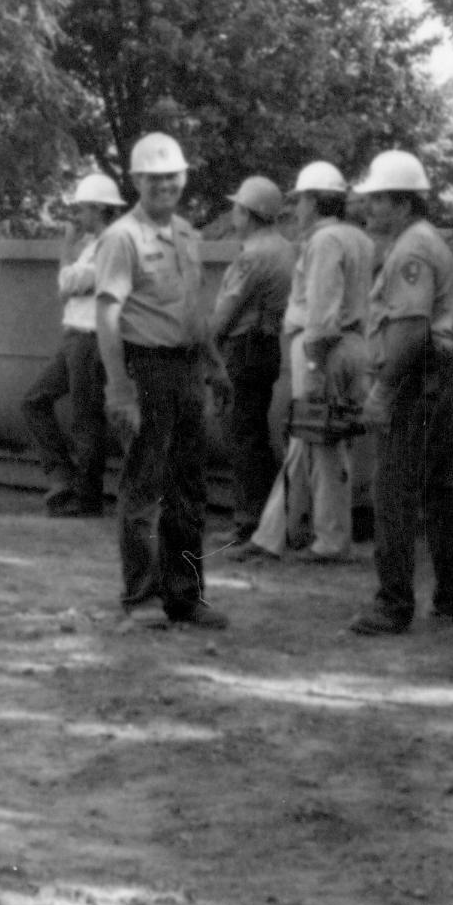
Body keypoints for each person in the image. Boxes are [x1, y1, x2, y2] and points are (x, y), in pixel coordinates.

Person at [92, 132, 225, 630]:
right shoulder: (121, 238)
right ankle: (142, 599)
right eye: (155, 177)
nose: (165, 184)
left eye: (172, 176)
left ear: (184, 178)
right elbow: (108, 314)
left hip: (187, 368)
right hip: (144, 369)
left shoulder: (189, 235)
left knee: (189, 489)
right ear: (137, 181)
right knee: (145, 488)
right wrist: (118, 388)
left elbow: (194, 313)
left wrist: (214, 364)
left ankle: (186, 597)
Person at [346, 150, 453, 635]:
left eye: (377, 200)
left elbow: (411, 331)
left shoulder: (410, 251)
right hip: (439, 377)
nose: (369, 208)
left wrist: (381, 393)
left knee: (394, 490)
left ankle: (393, 604)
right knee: (436, 491)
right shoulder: (422, 241)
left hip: (420, 380)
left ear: (402, 203)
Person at [239, 159, 376, 564]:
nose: (296, 209)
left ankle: (321, 540)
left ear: (315, 202)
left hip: (323, 350)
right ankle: (278, 535)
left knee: (317, 439)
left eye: (301, 201)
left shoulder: (324, 242)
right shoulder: (360, 239)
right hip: (355, 345)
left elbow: (322, 310)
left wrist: (315, 366)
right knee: (317, 442)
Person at [23, 171, 122, 516]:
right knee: (36, 401)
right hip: (78, 337)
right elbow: (68, 285)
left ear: (97, 208)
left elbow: (68, 284)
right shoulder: (97, 245)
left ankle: (85, 496)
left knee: (85, 418)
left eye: (81, 209)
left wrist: (66, 248)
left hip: (91, 338)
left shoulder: (110, 245)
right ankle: (65, 481)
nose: (77, 217)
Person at [206, 174, 293, 541]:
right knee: (252, 432)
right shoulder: (285, 248)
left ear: (249, 213)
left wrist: (205, 347)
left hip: (244, 348)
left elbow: (226, 312)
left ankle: (250, 521)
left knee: (242, 435)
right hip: (266, 345)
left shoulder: (253, 256)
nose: (233, 215)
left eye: (237, 208)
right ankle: (269, 518)